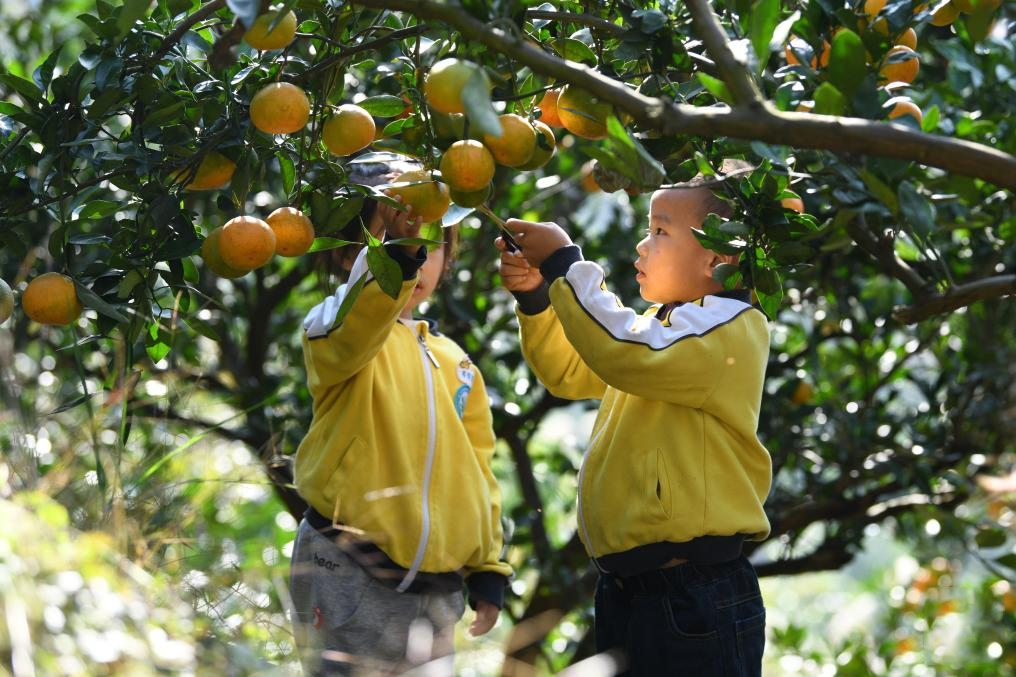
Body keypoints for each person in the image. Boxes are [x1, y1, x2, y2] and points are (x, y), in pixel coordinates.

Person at [497, 163, 771, 675]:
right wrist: (538, 299)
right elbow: (575, 371)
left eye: (661, 231)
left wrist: (565, 264)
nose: (643, 246)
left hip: (691, 592)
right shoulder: (664, 327)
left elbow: (624, 353)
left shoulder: (728, 329)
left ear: (719, 255)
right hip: (634, 590)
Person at [289, 158, 511, 676]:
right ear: (349, 254)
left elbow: (479, 467)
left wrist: (488, 567)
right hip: (347, 568)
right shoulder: (333, 326)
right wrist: (395, 258)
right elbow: (358, 321)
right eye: (393, 243)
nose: (415, 260)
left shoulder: (458, 364)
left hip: (436, 590)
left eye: (429, 245)